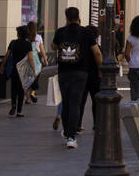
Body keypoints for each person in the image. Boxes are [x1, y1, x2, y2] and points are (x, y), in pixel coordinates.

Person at [52, 8, 102, 148]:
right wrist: (101, 69)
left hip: (64, 72)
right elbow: (97, 52)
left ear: (66, 18)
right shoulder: (86, 32)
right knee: (75, 102)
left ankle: (67, 132)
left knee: (66, 102)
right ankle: (71, 137)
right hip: (81, 72)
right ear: (78, 17)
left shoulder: (60, 31)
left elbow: (53, 46)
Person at [4, 26, 35, 117]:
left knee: (13, 88)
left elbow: (7, 55)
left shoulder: (13, 43)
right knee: (21, 89)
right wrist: (34, 70)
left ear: (18, 34)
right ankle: (19, 111)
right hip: (23, 70)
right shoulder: (28, 44)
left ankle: (13, 105)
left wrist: (2, 66)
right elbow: (30, 59)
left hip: (14, 68)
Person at [25, 20, 47, 104]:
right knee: (36, 76)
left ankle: (27, 99)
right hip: (37, 57)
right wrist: (45, 59)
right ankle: (33, 92)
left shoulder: (26, 37)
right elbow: (42, 50)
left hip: (28, 57)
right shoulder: (38, 37)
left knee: (28, 78)